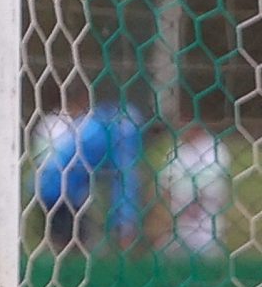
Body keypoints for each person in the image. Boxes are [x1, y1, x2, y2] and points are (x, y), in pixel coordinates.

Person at [34, 89, 142, 251]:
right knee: (72, 243)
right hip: (60, 189)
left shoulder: (99, 122)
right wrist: (125, 225)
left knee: (72, 240)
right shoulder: (124, 131)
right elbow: (125, 180)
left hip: (51, 184)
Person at [158, 124, 231, 257]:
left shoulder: (214, 148)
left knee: (210, 262)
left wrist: (195, 204)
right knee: (164, 257)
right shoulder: (177, 149)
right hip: (179, 221)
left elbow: (216, 186)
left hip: (207, 221)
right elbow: (165, 185)